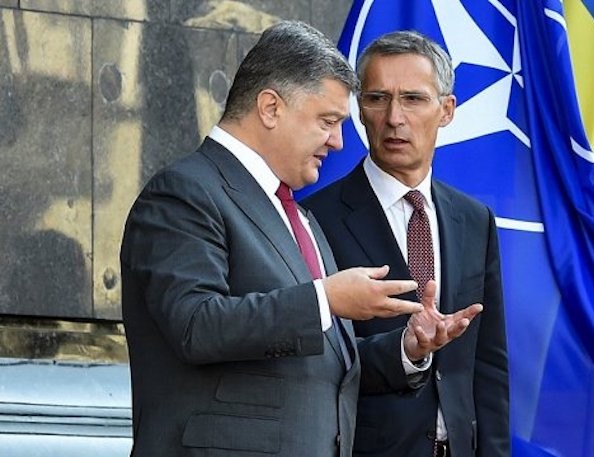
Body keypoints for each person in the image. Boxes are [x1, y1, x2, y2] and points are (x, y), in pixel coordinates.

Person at [120, 21, 480, 457]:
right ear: (271, 108)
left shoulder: (298, 215)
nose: (339, 142)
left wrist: (407, 347)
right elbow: (196, 325)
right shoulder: (184, 193)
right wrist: (326, 299)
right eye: (328, 121)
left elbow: (322, 367)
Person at [302, 31, 509, 457]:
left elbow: (488, 364)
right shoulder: (316, 219)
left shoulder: (474, 219)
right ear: (359, 109)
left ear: (446, 110)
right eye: (378, 98)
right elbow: (312, 360)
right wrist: (406, 351)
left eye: (413, 99)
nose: (394, 117)